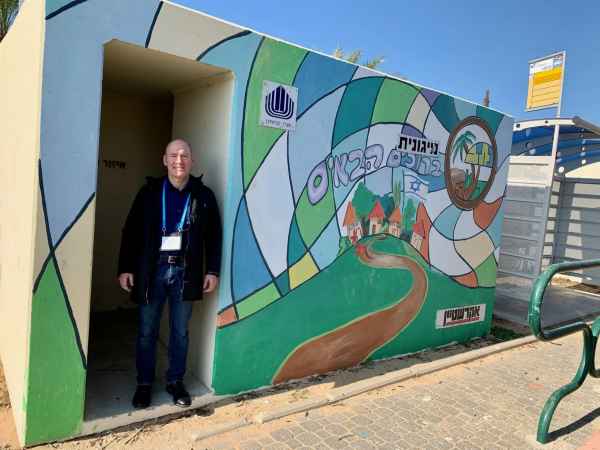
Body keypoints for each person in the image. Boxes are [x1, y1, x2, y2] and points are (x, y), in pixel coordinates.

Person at [117, 139, 222, 409]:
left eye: (184, 155)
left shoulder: (203, 195)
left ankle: (175, 382)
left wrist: (212, 270)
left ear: (192, 161)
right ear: (164, 160)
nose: (179, 160)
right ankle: (144, 384)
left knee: (180, 332)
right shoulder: (149, 193)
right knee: (146, 331)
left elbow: (214, 236)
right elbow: (130, 232)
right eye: (173, 155)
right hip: (153, 271)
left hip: (186, 273)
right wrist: (125, 268)